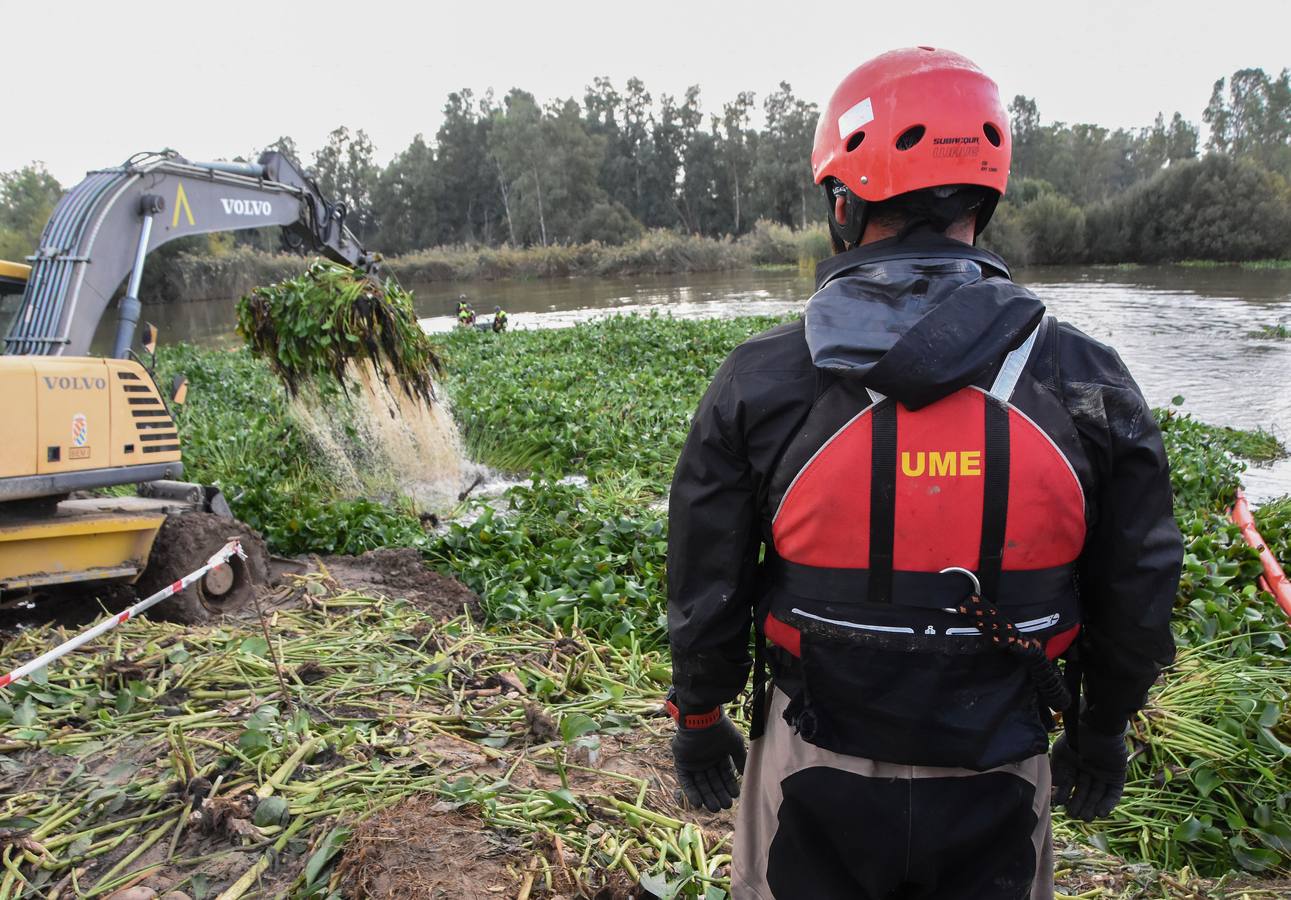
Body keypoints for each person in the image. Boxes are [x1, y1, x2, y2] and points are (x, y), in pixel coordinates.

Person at [664, 47, 1181, 900]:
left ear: (842, 203)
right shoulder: (1087, 378)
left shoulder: (760, 378)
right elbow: (1138, 581)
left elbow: (705, 573)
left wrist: (697, 714)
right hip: (1003, 752)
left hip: (812, 744)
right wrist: (1101, 728)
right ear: (983, 200)